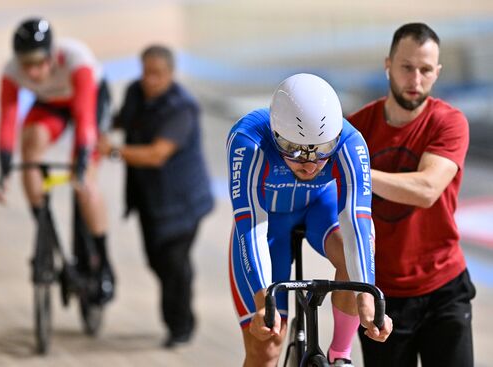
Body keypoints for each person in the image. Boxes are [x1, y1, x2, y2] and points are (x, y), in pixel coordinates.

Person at [227, 73, 392, 367]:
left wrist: (366, 299)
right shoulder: (248, 140)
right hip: (267, 222)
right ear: (276, 134)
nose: (310, 164)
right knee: (266, 347)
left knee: (350, 253)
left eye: (322, 150)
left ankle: (340, 354)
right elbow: (250, 225)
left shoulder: (351, 143)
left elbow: (358, 223)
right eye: (294, 151)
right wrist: (264, 299)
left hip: (318, 207)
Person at [348, 23, 475, 367]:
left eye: (425, 70)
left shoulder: (448, 123)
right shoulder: (357, 130)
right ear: (387, 63)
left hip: (443, 287)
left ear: (438, 72)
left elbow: (427, 189)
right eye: (406, 67)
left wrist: (357, 172)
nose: (415, 80)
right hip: (382, 293)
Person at [0, 17, 115, 304]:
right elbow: (8, 123)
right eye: (26, 64)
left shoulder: (76, 59)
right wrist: (3, 169)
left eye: (38, 63)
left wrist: (83, 161)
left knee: (85, 180)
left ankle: (104, 263)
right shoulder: (11, 72)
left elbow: (85, 118)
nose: (32, 72)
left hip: (89, 101)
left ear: (52, 54)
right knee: (30, 146)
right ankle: (42, 221)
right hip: (51, 105)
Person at [98, 45, 214, 348]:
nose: (150, 80)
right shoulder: (136, 92)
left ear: (171, 74)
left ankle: (180, 326)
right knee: (156, 260)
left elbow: (156, 154)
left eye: (157, 74)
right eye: (146, 72)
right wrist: (96, 124)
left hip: (184, 202)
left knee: (174, 263)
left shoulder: (182, 107)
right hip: (149, 198)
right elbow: (123, 119)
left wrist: (111, 150)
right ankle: (178, 316)